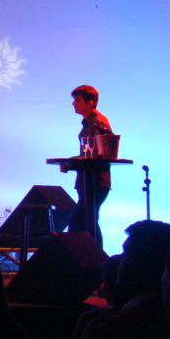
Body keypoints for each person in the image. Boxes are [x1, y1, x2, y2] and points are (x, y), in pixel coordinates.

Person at [61, 85, 113, 247]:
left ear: (90, 103)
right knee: (86, 222)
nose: (73, 104)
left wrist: (70, 163)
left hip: (94, 181)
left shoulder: (97, 123)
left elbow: (99, 154)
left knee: (82, 223)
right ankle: (96, 260)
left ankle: (96, 260)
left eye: (77, 100)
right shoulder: (89, 122)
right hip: (87, 181)